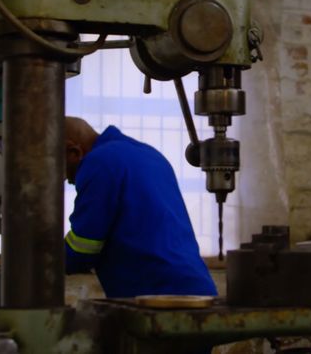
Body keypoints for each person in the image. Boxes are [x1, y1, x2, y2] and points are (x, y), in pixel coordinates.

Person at [62, 117, 217, 298]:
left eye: (68, 175)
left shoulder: (98, 162)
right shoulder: (151, 155)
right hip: (198, 291)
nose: (70, 181)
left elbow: (83, 247)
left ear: (74, 152)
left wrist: (41, 261)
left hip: (157, 296)